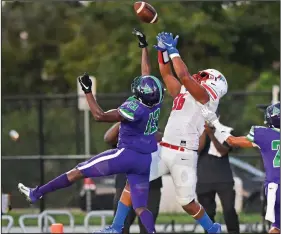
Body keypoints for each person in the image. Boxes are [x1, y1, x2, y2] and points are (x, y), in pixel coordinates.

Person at [18, 36, 165, 233]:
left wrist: (87, 91)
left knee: (78, 171)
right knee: (139, 206)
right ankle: (130, 229)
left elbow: (99, 115)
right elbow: (146, 73)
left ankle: (37, 193)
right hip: (144, 159)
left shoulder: (135, 108)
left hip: (126, 154)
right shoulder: (155, 102)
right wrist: (144, 48)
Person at [100, 31, 228, 234]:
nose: (199, 75)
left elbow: (184, 76)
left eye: (204, 75)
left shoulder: (207, 98)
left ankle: (212, 229)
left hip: (184, 154)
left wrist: (174, 51)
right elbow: (167, 74)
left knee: (187, 203)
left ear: (214, 84)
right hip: (165, 147)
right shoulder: (187, 92)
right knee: (132, 181)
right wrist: (162, 53)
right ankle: (115, 227)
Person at [202, 102, 280, 234]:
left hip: (274, 186)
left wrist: (215, 123)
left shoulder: (262, 134)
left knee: (276, 226)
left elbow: (232, 141)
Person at [104, 122, 163, 234]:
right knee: (122, 227)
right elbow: (108, 138)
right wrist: (123, 119)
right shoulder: (125, 128)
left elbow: (159, 137)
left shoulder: (152, 124)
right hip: (125, 184)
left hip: (150, 185)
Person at [196, 117, 240, 234]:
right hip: (204, 180)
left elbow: (223, 151)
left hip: (224, 179)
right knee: (208, 213)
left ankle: (233, 231)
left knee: (229, 210)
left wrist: (212, 135)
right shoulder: (197, 133)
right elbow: (198, 149)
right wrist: (204, 132)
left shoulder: (226, 131)